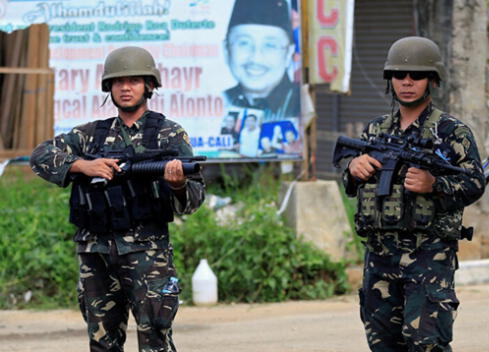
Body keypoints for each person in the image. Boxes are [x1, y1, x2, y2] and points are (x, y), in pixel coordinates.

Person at [30, 46, 206, 352]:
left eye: (134, 81)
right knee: (102, 343)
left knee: (156, 340)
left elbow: (193, 199)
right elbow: (40, 156)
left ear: (149, 85)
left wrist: (177, 185)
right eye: (118, 82)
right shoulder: (89, 136)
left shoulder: (169, 135)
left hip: (148, 254)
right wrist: (82, 165)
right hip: (95, 252)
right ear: (108, 87)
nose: (125, 88)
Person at [342, 36, 485, 352]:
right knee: (383, 344)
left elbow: (475, 183)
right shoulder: (375, 130)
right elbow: (351, 178)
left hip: (428, 256)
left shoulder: (450, 132)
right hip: (379, 256)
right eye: (399, 75)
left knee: (426, 344)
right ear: (389, 79)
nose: (407, 82)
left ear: (432, 80)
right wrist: (353, 168)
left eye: (417, 76)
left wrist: (434, 185)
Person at [223, 0, 300, 120]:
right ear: (226, 50)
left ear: (289, 53)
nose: (256, 58)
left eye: (270, 45)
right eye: (244, 43)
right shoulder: (221, 99)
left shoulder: (300, 103)